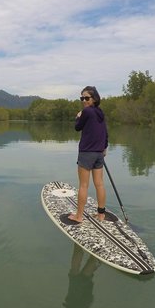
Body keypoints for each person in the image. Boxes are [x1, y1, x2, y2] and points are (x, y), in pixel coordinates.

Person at [67, 86, 109, 224]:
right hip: (99, 154)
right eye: (82, 98)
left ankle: (79, 216)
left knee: (83, 185)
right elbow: (105, 132)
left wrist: (78, 117)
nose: (84, 100)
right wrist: (104, 147)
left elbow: (77, 127)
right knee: (100, 184)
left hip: (86, 153)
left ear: (94, 98)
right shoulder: (100, 113)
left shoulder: (86, 112)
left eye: (86, 98)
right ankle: (101, 214)